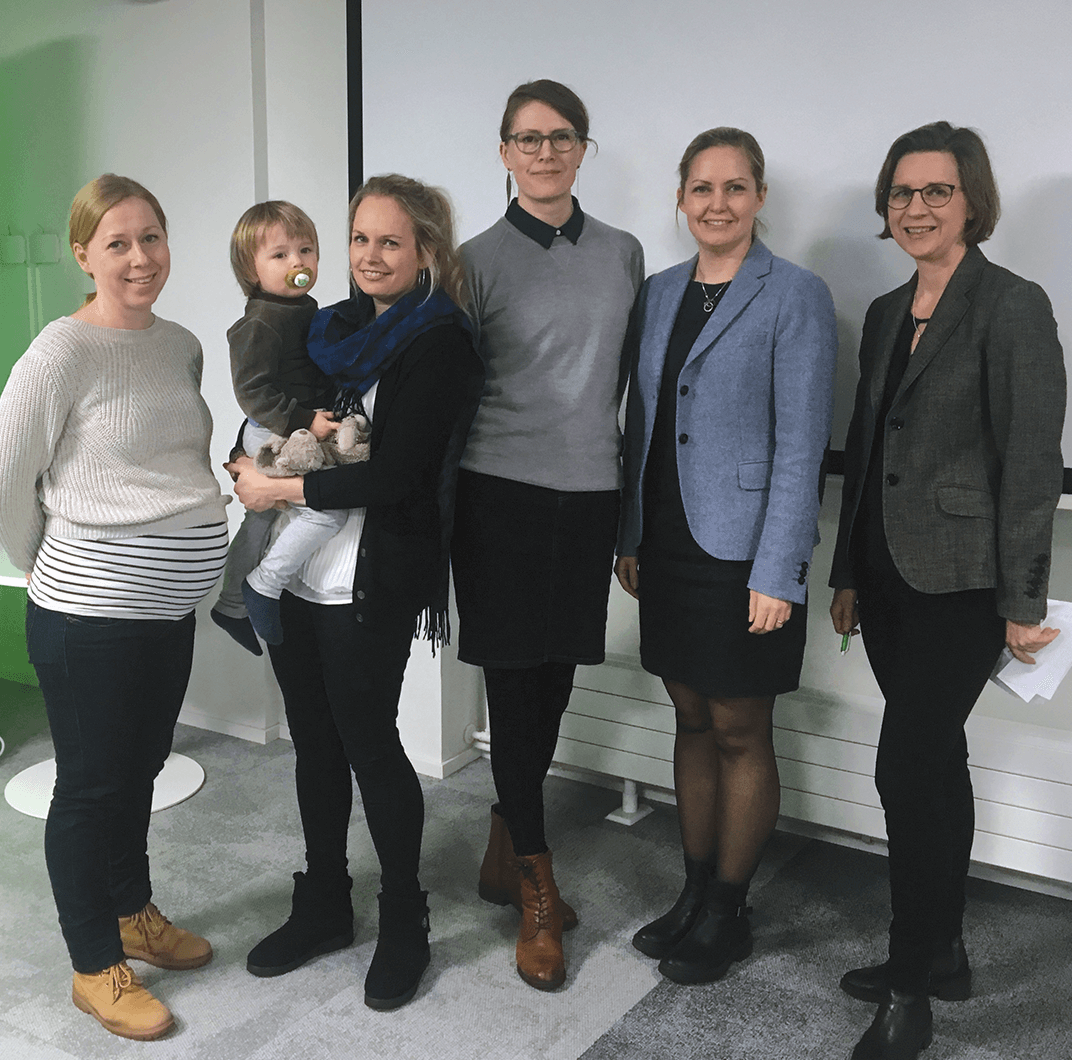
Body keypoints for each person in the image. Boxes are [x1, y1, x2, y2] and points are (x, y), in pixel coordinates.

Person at [829, 122, 1065, 1060]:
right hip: (887, 579)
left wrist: (1024, 600)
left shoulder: (1013, 305)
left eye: (935, 191)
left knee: (905, 765)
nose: (915, 208)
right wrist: (846, 571)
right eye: (901, 193)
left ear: (972, 200)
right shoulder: (889, 310)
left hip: (964, 588)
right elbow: (867, 449)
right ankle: (950, 948)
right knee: (932, 767)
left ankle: (911, 984)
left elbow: (1032, 464)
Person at [226, 174, 483, 1011]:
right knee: (315, 744)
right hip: (299, 572)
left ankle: (405, 919)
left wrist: (281, 493)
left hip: (371, 574)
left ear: (425, 255)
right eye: (359, 239)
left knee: (371, 744)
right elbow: (284, 418)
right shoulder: (333, 329)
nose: (370, 256)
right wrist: (253, 464)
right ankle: (325, 903)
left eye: (390, 242)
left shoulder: (438, 342)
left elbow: (402, 477)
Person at [0, 174, 230, 1040]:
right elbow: (5, 476)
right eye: (119, 243)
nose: (140, 258)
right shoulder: (60, 352)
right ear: (84, 255)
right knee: (90, 789)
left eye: (153, 238)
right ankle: (96, 963)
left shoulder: (180, 344)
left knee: (140, 769)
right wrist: (57, 565)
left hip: (166, 613)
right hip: (84, 619)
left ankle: (134, 910)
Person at [616, 128, 837, 985]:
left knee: (743, 728)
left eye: (735, 188)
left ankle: (729, 911)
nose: (717, 203)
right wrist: (631, 537)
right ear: (681, 198)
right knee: (692, 718)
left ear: (760, 197)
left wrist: (778, 570)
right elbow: (640, 425)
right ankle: (693, 890)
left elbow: (801, 442)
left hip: (745, 555)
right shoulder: (660, 292)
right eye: (702, 188)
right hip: (668, 547)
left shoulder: (796, 295)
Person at [451, 79, 644, 990]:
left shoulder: (623, 253)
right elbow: (450, 398)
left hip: (589, 494)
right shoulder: (473, 261)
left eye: (563, 137)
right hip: (500, 497)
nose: (546, 152)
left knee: (556, 684)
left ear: (583, 149)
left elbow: (630, 389)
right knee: (513, 689)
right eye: (528, 139)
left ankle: (504, 845)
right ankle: (536, 885)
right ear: (503, 152)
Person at [209, 200, 347, 653]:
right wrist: (306, 419)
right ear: (251, 269)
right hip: (275, 431)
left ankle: (231, 606)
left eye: (306, 250)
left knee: (260, 518)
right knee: (324, 512)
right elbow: (252, 392)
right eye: (280, 255)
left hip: (291, 430)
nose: (298, 262)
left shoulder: (304, 308)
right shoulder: (259, 322)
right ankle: (262, 587)